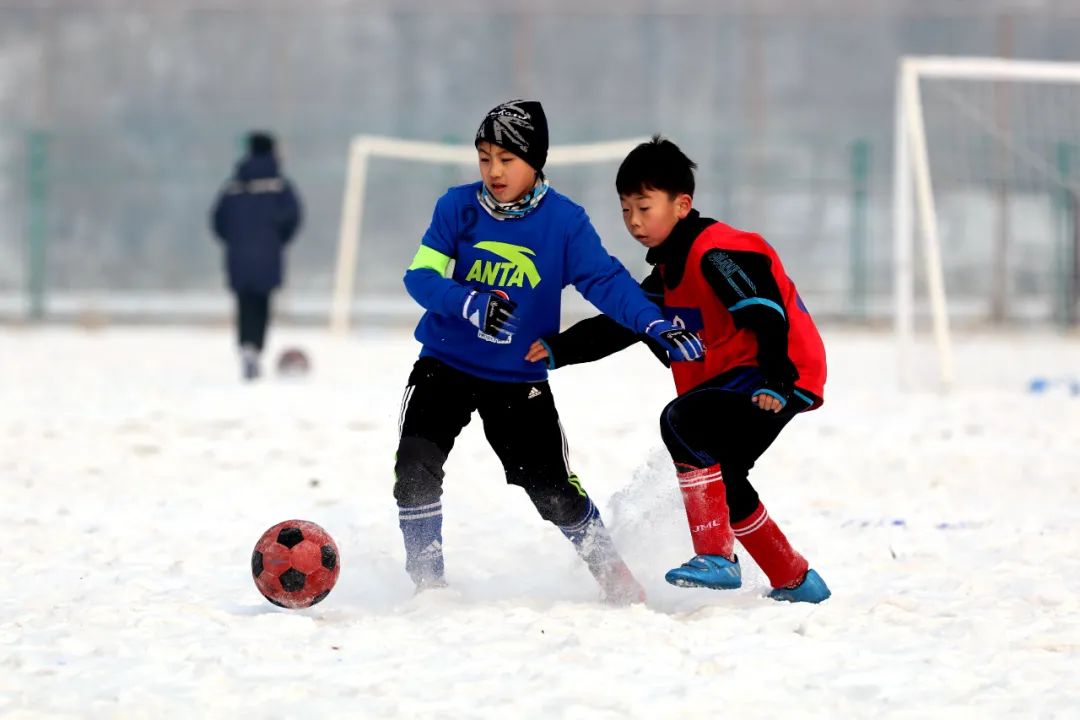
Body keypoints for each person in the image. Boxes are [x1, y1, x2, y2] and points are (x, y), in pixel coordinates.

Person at [394, 101, 704, 603]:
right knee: (414, 466)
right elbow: (419, 276)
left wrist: (655, 324)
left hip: (518, 377)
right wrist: (465, 301)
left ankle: (615, 578)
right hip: (444, 363)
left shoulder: (564, 222)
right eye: (484, 157)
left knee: (552, 492)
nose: (494, 171)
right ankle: (427, 582)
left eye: (507, 159)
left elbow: (605, 282)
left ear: (535, 162)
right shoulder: (456, 207)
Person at [525, 136, 831, 603]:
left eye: (644, 207)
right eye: (625, 209)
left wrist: (775, 379)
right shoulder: (668, 273)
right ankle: (795, 579)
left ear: (682, 205)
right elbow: (621, 325)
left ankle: (717, 557)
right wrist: (557, 349)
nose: (633, 221)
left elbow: (765, 311)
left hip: (773, 373)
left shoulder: (716, 252)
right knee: (725, 476)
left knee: (682, 421)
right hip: (755, 378)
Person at [211, 131, 302, 380]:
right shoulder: (280, 186)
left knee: (244, 303)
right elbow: (294, 218)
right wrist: (276, 240)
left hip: (238, 256)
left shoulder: (233, 186)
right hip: (268, 256)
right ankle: (256, 347)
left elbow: (218, 220)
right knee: (262, 303)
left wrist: (235, 241)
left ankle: (246, 347)